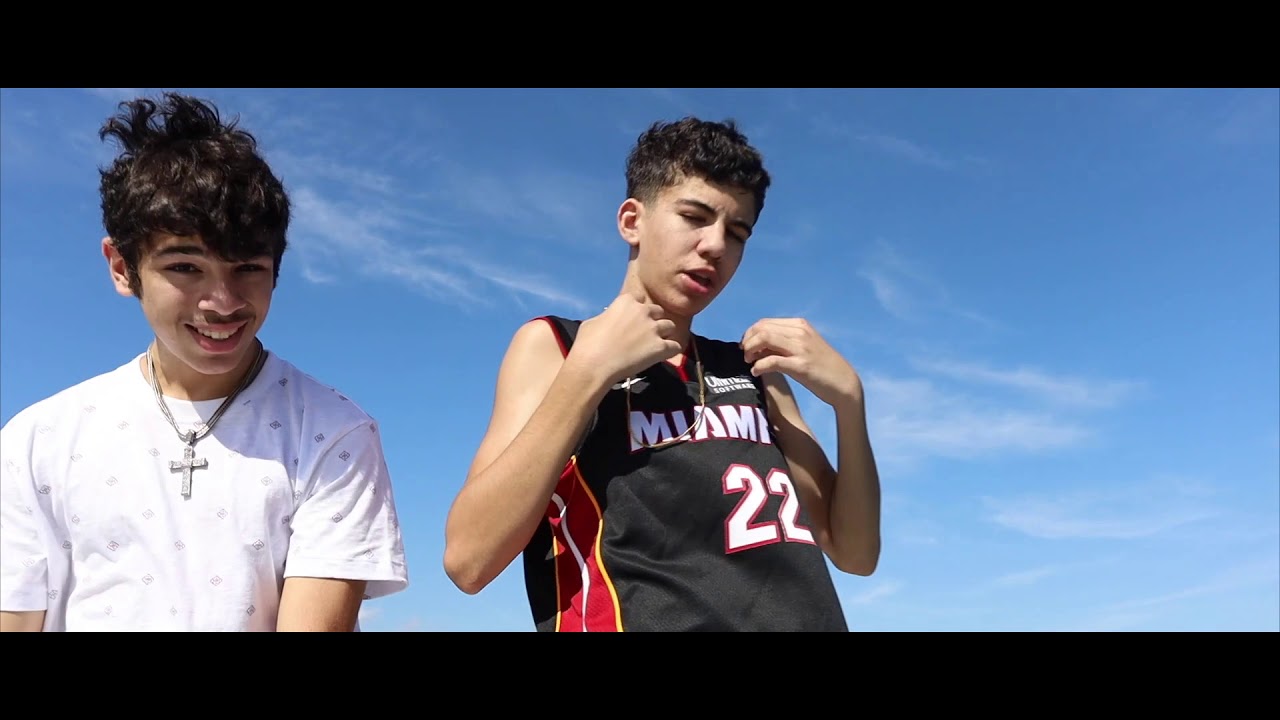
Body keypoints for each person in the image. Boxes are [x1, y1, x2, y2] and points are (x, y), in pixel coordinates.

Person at [443, 117, 881, 631]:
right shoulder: (557, 347)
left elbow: (855, 553)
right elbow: (469, 561)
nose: (715, 245)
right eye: (694, 217)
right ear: (632, 220)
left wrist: (850, 403)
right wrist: (588, 374)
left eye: (737, 233)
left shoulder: (754, 370)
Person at [0, 92, 409, 632]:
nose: (222, 302)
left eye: (248, 268)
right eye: (185, 267)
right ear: (122, 267)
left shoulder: (334, 433)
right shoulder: (37, 440)